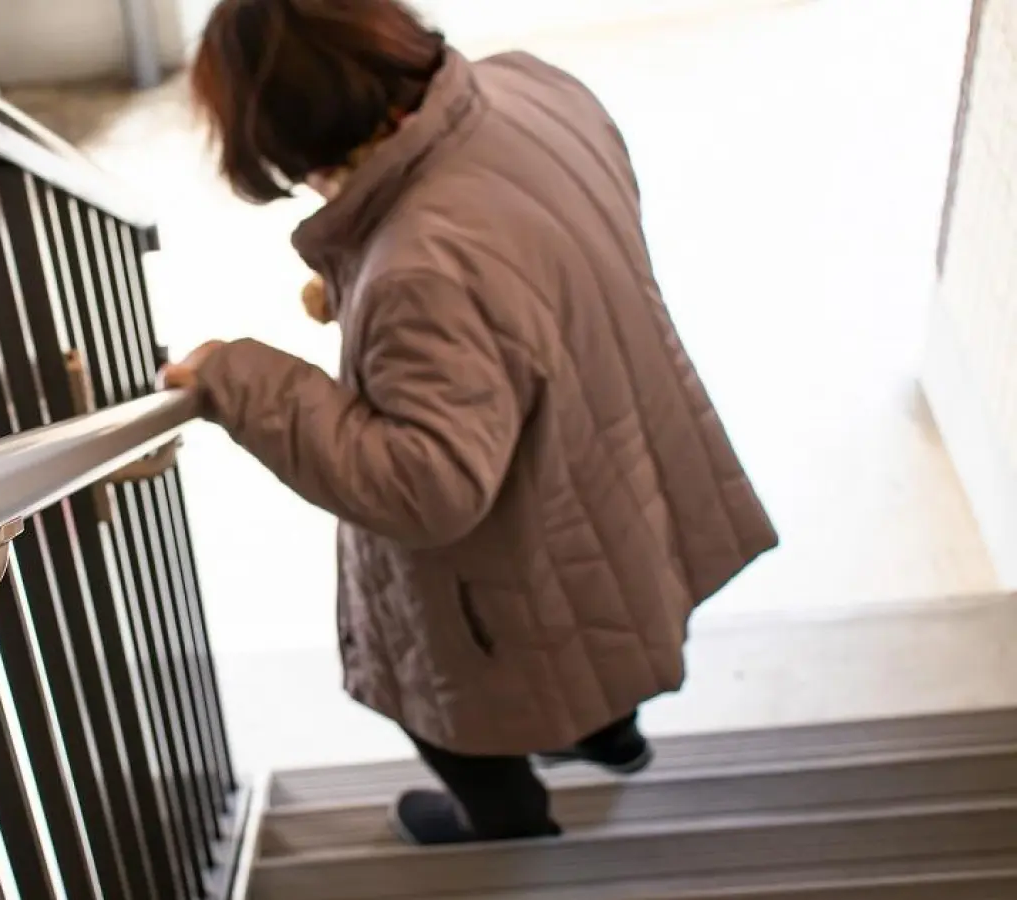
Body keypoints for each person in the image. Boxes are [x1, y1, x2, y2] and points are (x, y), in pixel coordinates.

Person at [161, 0, 779, 846]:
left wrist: (243, 378)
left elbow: (425, 487)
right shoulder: (532, 89)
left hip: (509, 569)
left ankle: (505, 825)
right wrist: (359, 279)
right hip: (609, 450)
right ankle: (611, 738)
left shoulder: (422, 266)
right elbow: (514, 263)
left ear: (298, 137)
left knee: (451, 699)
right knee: (605, 608)